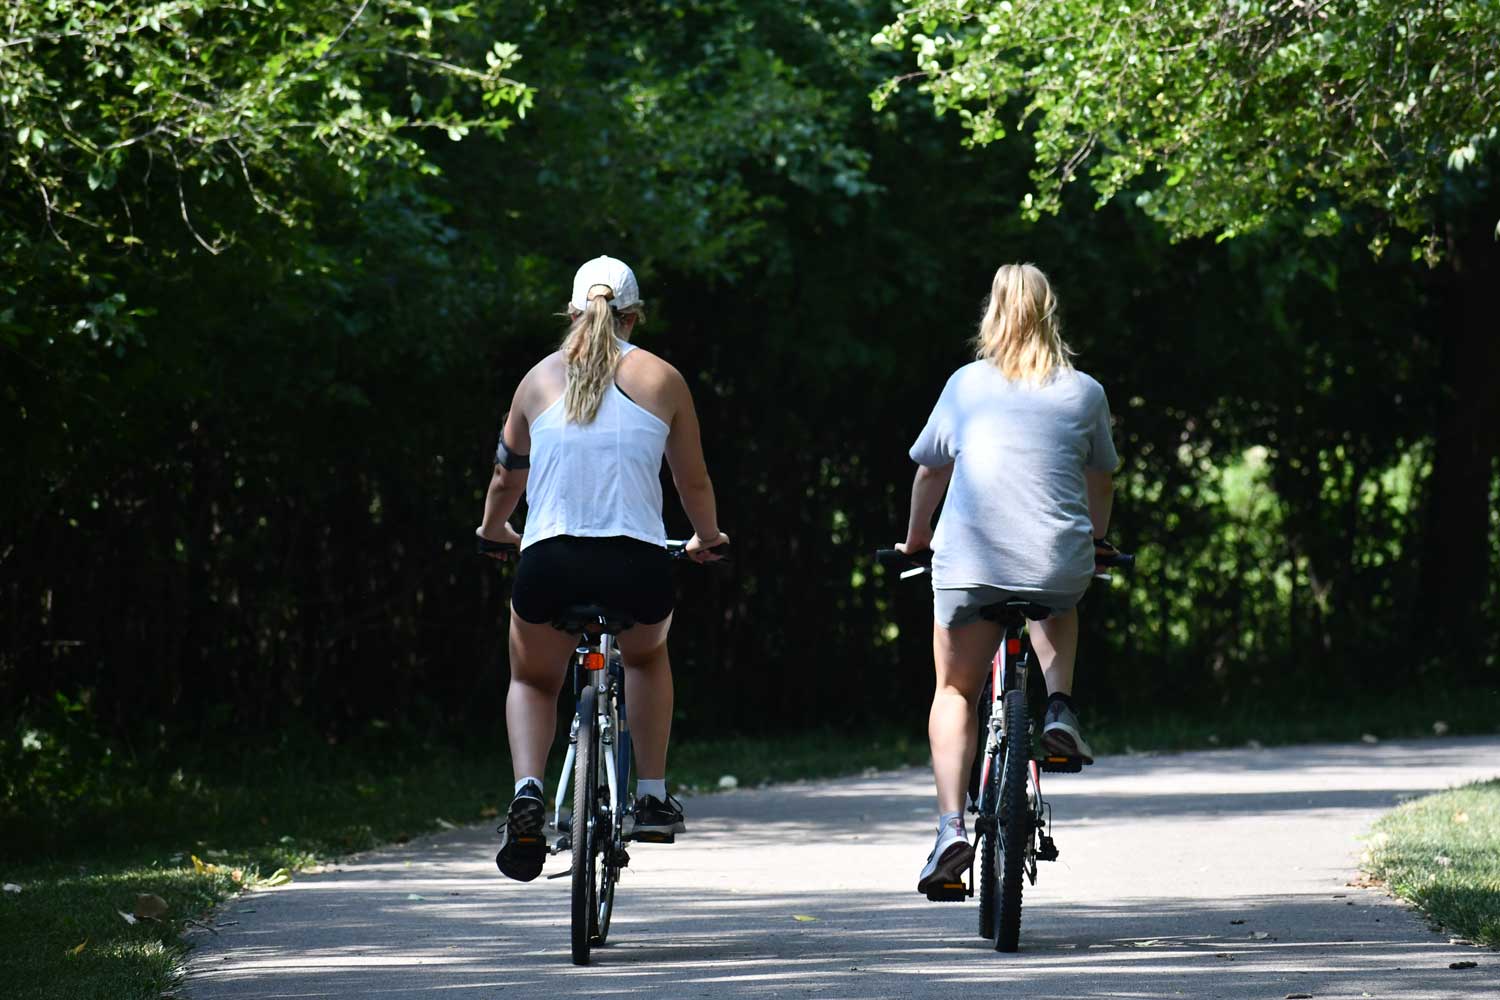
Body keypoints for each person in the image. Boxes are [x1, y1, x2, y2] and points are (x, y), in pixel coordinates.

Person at [476, 255, 728, 882]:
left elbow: (508, 474)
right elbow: (690, 478)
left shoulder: (536, 380)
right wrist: (706, 537)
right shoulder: (663, 378)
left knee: (534, 680)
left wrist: (491, 530)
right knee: (644, 657)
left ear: (571, 311)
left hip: (549, 560)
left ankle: (529, 792)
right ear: (634, 317)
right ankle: (649, 793)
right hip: (636, 563)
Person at [895, 262, 1118, 897]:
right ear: (1051, 314)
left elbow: (929, 474)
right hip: (1055, 563)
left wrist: (914, 539)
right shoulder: (1085, 391)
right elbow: (1100, 478)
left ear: (992, 315)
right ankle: (1060, 707)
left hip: (970, 564)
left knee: (955, 691)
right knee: (1060, 592)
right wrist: (1096, 542)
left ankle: (948, 829)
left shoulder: (965, 386)